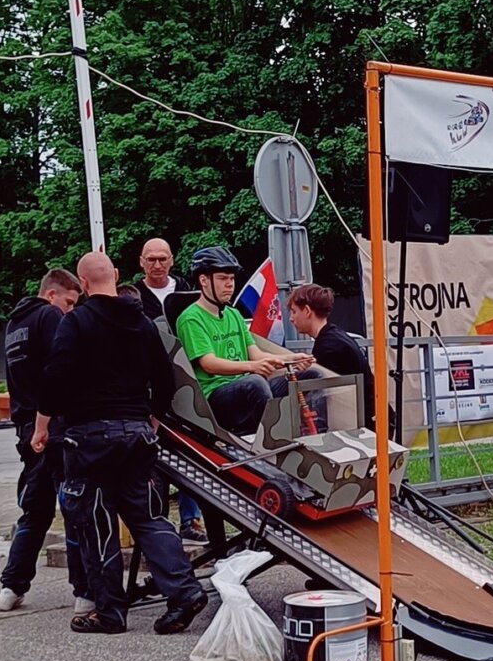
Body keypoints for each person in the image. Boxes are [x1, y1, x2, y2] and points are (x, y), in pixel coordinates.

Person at [34, 250, 207, 636]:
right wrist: (152, 418)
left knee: (96, 523)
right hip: (136, 434)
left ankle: (109, 612)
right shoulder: (143, 323)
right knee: (149, 518)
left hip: (89, 438)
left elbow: (55, 376)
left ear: (81, 284)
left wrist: (41, 426)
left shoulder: (76, 322)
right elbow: (165, 378)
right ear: (115, 273)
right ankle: (184, 591)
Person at [0, 269, 91, 614]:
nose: (69, 311)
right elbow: (61, 368)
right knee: (73, 507)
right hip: (53, 426)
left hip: (25, 427)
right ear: (52, 295)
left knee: (34, 511)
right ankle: (84, 592)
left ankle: (11, 586)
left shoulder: (13, 326)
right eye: (68, 302)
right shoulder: (49, 317)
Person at [176, 246, 312, 440]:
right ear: (204, 280)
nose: (230, 284)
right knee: (255, 383)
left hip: (246, 387)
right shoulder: (191, 318)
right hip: (215, 397)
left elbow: (256, 354)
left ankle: (307, 436)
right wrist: (252, 367)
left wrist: (290, 359)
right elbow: (208, 364)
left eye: (231, 279)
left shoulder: (233, 314)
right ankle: (273, 443)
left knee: (309, 375)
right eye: (223, 278)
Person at [137, 235, 205, 544]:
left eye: (162, 258)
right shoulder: (133, 296)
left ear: (172, 260)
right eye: (151, 259)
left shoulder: (189, 294)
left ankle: (192, 519)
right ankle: (157, 524)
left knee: (192, 453)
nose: (157, 264)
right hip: (149, 386)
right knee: (154, 459)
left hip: (188, 384)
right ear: (141, 262)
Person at [286, 283, 374, 425]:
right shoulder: (333, 336)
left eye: (294, 312)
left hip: (365, 422)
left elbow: (324, 394)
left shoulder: (328, 346)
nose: (291, 318)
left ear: (307, 311)